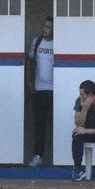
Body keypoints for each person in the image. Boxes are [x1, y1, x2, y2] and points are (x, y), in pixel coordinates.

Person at [25, 18, 55, 167]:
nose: (45, 29)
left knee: (56, 122)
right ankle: (38, 155)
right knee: (39, 124)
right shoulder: (36, 42)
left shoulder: (58, 43)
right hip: (40, 89)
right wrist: (28, 81)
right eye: (44, 26)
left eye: (48, 27)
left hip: (56, 90)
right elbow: (29, 61)